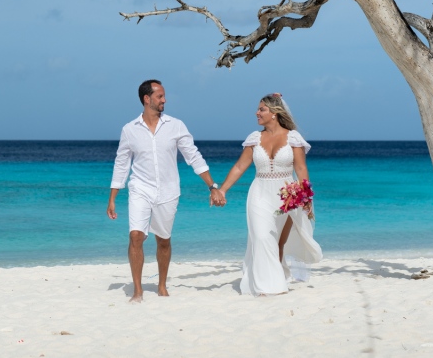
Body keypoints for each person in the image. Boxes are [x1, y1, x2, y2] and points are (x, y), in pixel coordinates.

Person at [107, 79, 223, 303]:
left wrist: (212, 186)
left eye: (163, 96)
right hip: (140, 188)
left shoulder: (176, 125)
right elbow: (121, 165)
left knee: (163, 240)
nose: (164, 100)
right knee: (136, 236)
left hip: (168, 191)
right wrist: (113, 197)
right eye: (160, 96)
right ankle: (138, 291)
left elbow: (193, 157)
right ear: (146, 99)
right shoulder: (129, 130)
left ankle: (161, 285)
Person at [215, 93, 322, 296]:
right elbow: (239, 166)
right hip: (259, 193)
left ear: (274, 113)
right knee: (262, 237)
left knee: (277, 242)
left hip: (287, 196)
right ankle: (268, 287)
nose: (257, 113)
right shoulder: (255, 138)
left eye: (261, 109)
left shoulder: (293, 138)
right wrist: (222, 189)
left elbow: (300, 169)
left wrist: (306, 196)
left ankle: (276, 276)